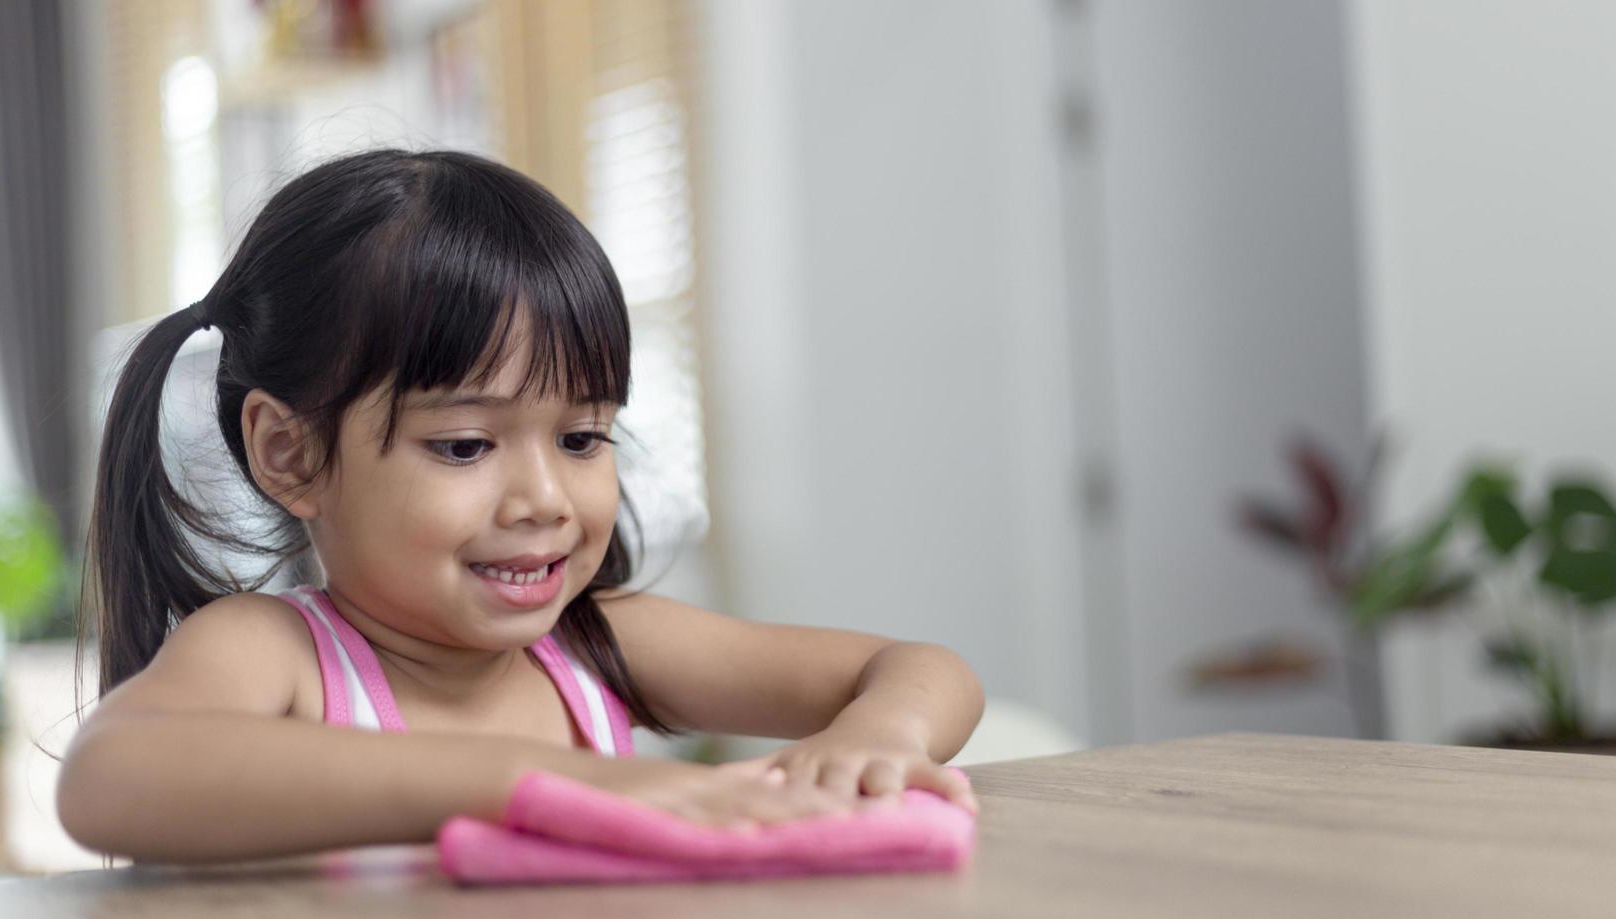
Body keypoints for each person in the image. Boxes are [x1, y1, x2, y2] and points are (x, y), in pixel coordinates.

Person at [56, 148, 983, 864]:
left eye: (581, 439)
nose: (543, 499)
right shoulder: (278, 655)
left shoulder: (596, 645)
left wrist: (878, 737)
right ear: (290, 453)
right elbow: (106, 778)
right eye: (464, 445)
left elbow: (921, 669)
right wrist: (535, 783)